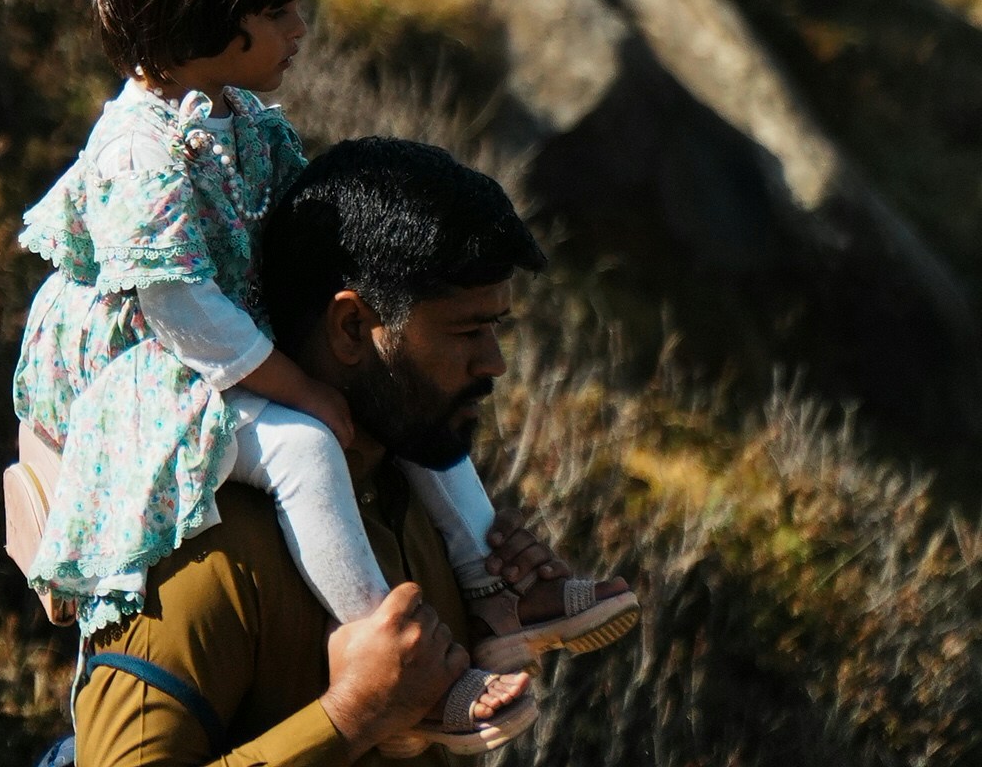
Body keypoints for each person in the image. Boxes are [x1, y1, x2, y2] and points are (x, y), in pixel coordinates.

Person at [15, 0, 627, 749]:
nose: (300, 29)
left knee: (423, 421)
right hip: (170, 369)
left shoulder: (236, 118)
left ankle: (496, 580)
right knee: (307, 447)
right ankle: (416, 667)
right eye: (278, 13)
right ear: (206, 14)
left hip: (239, 341)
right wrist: (302, 388)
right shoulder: (138, 155)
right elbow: (182, 306)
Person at [68, 138, 635, 764]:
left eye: (497, 329)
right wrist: (350, 715)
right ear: (351, 328)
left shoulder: (425, 515)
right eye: (467, 330)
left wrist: (491, 614)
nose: (494, 363)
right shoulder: (207, 549)